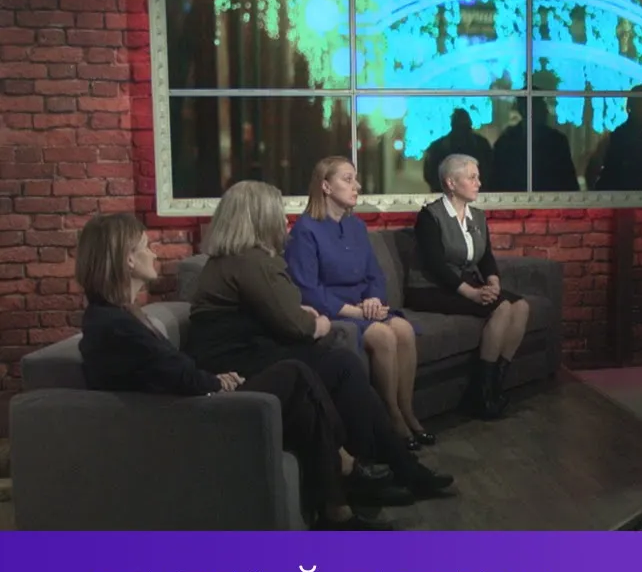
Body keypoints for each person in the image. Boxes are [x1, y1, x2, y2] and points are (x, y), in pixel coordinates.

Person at [74, 213, 391, 530]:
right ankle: (345, 467)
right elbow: (174, 374)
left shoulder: (120, 316)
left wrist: (209, 379)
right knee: (295, 374)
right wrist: (214, 381)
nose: (153, 253)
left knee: (302, 393)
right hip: (186, 419)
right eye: (146, 246)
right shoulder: (115, 325)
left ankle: (337, 505)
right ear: (128, 260)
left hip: (187, 403)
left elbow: (166, 369)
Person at [184, 180, 456, 499]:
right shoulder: (252, 262)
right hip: (238, 361)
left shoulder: (230, 259)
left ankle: (385, 468)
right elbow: (298, 325)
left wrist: (301, 315)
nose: (283, 219)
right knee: (342, 365)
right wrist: (321, 322)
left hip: (241, 352)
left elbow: (277, 310)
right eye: (277, 212)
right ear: (260, 217)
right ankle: (382, 470)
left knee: (341, 365)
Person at [284, 157, 435, 451]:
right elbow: (307, 290)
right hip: (334, 312)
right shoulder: (305, 230)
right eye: (348, 179)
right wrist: (356, 311)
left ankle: (408, 411)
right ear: (326, 186)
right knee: (383, 335)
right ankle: (391, 417)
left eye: (356, 179)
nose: (358, 186)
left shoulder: (355, 226)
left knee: (404, 330)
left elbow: (374, 274)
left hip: (364, 307)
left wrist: (375, 299)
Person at [405, 153, 531, 419]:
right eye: (472, 177)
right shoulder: (430, 216)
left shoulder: (477, 217)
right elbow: (436, 266)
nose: (479, 183)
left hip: (464, 283)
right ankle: (481, 395)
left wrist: (493, 281)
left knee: (520, 306)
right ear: (451, 183)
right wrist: (472, 293)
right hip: (429, 288)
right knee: (501, 308)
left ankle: (495, 383)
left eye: (478, 177)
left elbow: (485, 257)